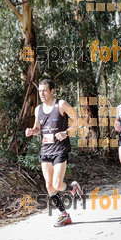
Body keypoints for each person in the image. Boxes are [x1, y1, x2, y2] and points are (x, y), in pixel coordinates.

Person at [25, 79, 84, 227]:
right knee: (49, 186)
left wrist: (66, 132)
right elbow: (38, 128)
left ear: (52, 91)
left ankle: (72, 188)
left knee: (58, 184)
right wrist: (32, 131)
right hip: (45, 150)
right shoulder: (38, 109)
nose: (42, 94)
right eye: (40, 91)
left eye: (45, 90)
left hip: (60, 149)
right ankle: (64, 215)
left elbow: (78, 121)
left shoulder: (61, 105)